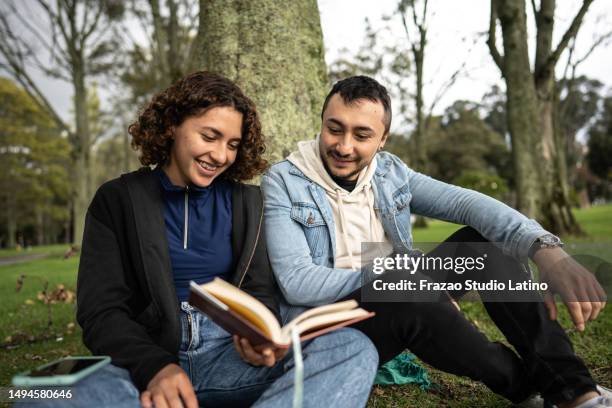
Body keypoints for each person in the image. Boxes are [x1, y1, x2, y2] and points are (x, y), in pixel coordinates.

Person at [262, 75, 610, 408]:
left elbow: (468, 204)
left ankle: (575, 389)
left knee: (479, 245)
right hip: (333, 321)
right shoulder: (284, 180)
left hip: (404, 286)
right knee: (401, 285)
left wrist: (546, 250)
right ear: (322, 123)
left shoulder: (389, 172)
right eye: (334, 129)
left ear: (382, 140)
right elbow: (297, 282)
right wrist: (397, 273)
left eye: (362, 134)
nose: (343, 146)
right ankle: (527, 386)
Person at [51, 72, 379, 408]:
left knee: (351, 348)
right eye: (210, 137)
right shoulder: (117, 199)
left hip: (229, 361)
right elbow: (100, 310)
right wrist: (155, 368)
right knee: (46, 394)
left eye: (232, 144)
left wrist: (258, 340)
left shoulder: (250, 203)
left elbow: (259, 291)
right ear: (172, 126)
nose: (221, 155)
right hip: (145, 363)